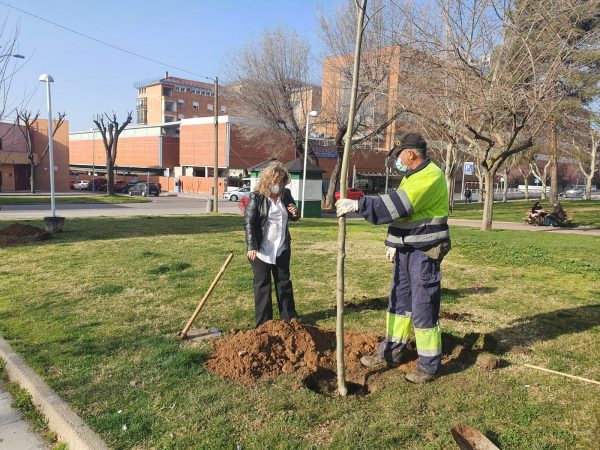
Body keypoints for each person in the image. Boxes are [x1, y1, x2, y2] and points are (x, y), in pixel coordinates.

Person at [336, 132, 450, 384]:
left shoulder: (430, 176)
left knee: (423, 306)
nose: (396, 160)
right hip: (407, 249)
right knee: (399, 302)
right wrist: (392, 243)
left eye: (398, 155)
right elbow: (403, 218)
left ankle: (428, 364)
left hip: (424, 251)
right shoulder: (412, 177)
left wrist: (359, 205)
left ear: (409, 154)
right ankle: (391, 351)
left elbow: (398, 206)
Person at [244, 162, 300, 327]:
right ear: (268, 181)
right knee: (262, 285)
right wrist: (251, 246)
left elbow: (294, 215)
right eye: (276, 182)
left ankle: (289, 318)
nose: (279, 185)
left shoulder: (286, 194)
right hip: (261, 249)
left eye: (282, 181)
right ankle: (264, 323)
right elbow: (249, 222)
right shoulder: (257, 197)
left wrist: (295, 213)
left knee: (284, 282)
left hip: (281, 247)